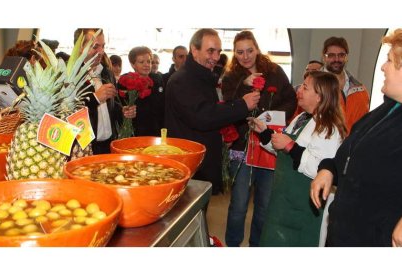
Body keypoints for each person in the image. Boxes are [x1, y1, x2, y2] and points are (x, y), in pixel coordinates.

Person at [310, 29, 402, 247]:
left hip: (374, 237)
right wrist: (328, 169)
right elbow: (348, 154)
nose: (383, 67)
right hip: (345, 231)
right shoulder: (382, 111)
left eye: (389, 61)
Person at [248, 71, 346, 246]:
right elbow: (284, 150)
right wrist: (264, 133)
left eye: (306, 87)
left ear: (319, 96)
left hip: (303, 209)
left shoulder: (328, 127)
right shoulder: (302, 118)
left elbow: (321, 169)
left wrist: (290, 146)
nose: (299, 89)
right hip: (283, 203)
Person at [222, 30, 297, 247]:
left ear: (257, 48)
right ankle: (233, 245)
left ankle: (257, 246)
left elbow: (290, 100)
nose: (245, 56)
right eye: (240, 52)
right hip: (242, 146)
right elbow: (226, 107)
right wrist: (244, 84)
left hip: (268, 145)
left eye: (249, 50)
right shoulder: (231, 77)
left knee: (264, 205)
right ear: (234, 54)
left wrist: (270, 117)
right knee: (238, 204)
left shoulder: (274, 71)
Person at [164, 28, 261, 196]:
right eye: (210, 51)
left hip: (200, 160)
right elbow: (202, 116)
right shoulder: (183, 80)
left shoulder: (201, 76)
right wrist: (241, 105)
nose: (216, 57)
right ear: (194, 50)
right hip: (190, 163)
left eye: (218, 52)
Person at [74, 28, 130, 154]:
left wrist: (122, 111)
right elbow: (66, 114)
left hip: (108, 145)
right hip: (84, 149)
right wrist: (95, 99)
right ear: (80, 48)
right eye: (95, 47)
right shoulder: (70, 75)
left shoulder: (107, 73)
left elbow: (112, 105)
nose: (101, 51)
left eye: (103, 46)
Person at [321, 36, 370, 132]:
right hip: (322, 144)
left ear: (346, 57)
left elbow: (364, 122)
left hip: (352, 144)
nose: (336, 59)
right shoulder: (313, 86)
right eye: (331, 55)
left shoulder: (360, 89)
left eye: (341, 55)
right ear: (324, 57)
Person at [126, 46, 164, 136]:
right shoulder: (126, 81)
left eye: (149, 61)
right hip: (135, 132)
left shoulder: (158, 79)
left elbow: (163, 106)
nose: (146, 65)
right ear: (132, 64)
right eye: (141, 62)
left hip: (156, 131)